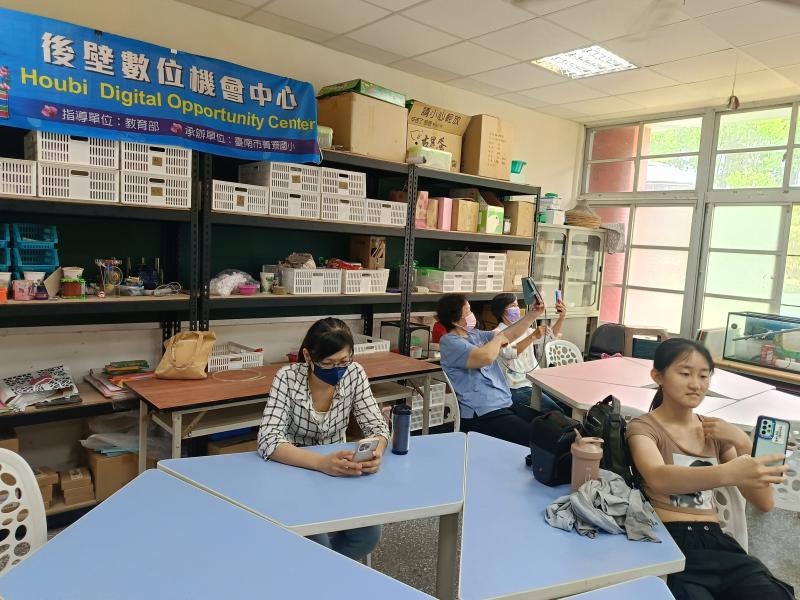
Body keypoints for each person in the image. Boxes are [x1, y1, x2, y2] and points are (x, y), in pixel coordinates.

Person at [626, 338, 793, 600]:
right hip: (669, 541)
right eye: (685, 374)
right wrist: (729, 472)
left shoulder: (715, 431)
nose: (696, 384)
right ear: (657, 376)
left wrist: (742, 442)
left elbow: (764, 502)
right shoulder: (643, 427)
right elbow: (657, 477)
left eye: (704, 376)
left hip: (717, 543)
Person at [257, 317, 390, 560]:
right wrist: (321, 463)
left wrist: (376, 451)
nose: (337, 369)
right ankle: (319, 573)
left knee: (368, 534)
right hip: (295, 468)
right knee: (317, 541)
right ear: (308, 356)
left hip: (340, 472)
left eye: (343, 361)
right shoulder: (287, 378)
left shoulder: (354, 373)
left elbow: (377, 426)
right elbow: (268, 439)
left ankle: (322, 572)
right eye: (327, 363)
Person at [438, 293, 543, 446]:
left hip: (504, 404)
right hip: (482, 412)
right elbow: (485, 357)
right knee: (538, 440)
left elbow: (509, 334)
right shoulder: (449, 342)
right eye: (467, 311)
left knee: (548, 426)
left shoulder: (474, 335)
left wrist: (533, 315)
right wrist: (499, 338)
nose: (472, 314)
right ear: (454, 320)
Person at [491, 292, 568, 414]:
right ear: (501, 310)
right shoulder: (496, 333)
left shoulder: (525, 330)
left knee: (567, 403)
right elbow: (510, 352)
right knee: (555, 411)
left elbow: (551, 336)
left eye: (517, 305)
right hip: (516, 387)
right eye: (512, 306)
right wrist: (532, 336)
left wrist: (562, 317)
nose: (517, 309)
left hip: (535, 382)